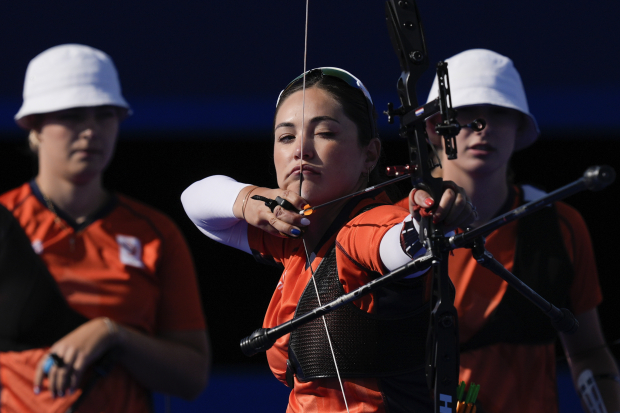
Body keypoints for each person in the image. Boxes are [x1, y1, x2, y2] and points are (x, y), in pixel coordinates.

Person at [182, 67, 476, 413]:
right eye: (286, 137)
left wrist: (426, 225)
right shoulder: (294, 236)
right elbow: (195, 201)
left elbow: (392, 243)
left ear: (370, 154)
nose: (301, 150)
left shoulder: (367, 226)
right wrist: (251, 200)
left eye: (324, 133)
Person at [403, 48, 620, 413]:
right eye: (466, 114)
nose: (481, 127)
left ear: (519, 128)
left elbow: (588, 353)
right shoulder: (395, 227)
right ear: (432, 128)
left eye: (499, 114)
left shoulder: (561, 223)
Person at [0, 44, 211, 413]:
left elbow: (192, 378)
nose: (91, 130)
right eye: (73, 115)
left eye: (105, 115)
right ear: (34, 124)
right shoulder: (5, 219)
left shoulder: (156, 233)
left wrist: (111, 333)